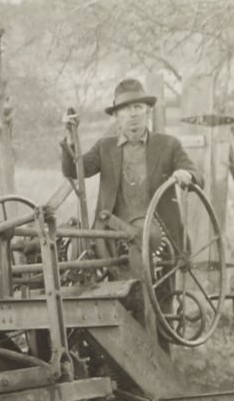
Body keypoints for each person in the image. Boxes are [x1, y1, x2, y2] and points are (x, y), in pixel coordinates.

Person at [61, 76, 195, 312]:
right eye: (125, 110)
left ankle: (160, 347)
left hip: (159, 245)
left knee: (161, 312)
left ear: (147, 112)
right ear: (116, 117)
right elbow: (74, 169)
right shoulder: (105, 148)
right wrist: (70, 139)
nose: (132, 115)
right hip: (116, 246)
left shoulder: (168, 146)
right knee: (122, 309)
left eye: (138, 108)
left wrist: (186, 174)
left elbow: (194, 172)